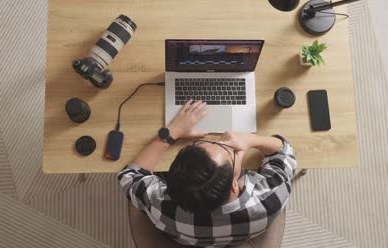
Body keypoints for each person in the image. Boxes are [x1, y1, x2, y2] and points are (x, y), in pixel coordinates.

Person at [118, 100, 297, 247]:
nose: (221, 140)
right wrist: (250, 139)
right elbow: (284, 152)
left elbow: (129, 176)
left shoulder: (160, 205)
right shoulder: (270, 201)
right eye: (225, 149)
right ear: (235, 185)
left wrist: (172, 132)